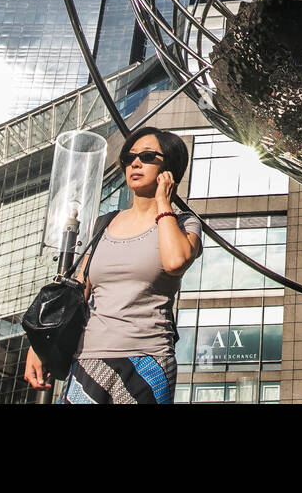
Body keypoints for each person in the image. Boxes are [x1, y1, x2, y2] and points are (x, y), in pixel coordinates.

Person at [24, 127, 202, 404]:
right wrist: (40, 347)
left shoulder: (183, 223)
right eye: (129, 157)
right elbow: (79, 290)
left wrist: (163, 203)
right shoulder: (103, 223)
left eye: (146, 156)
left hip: (148, 359)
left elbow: (175, 261)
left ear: (169, 167)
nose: (135, 163)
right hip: (88, 358)